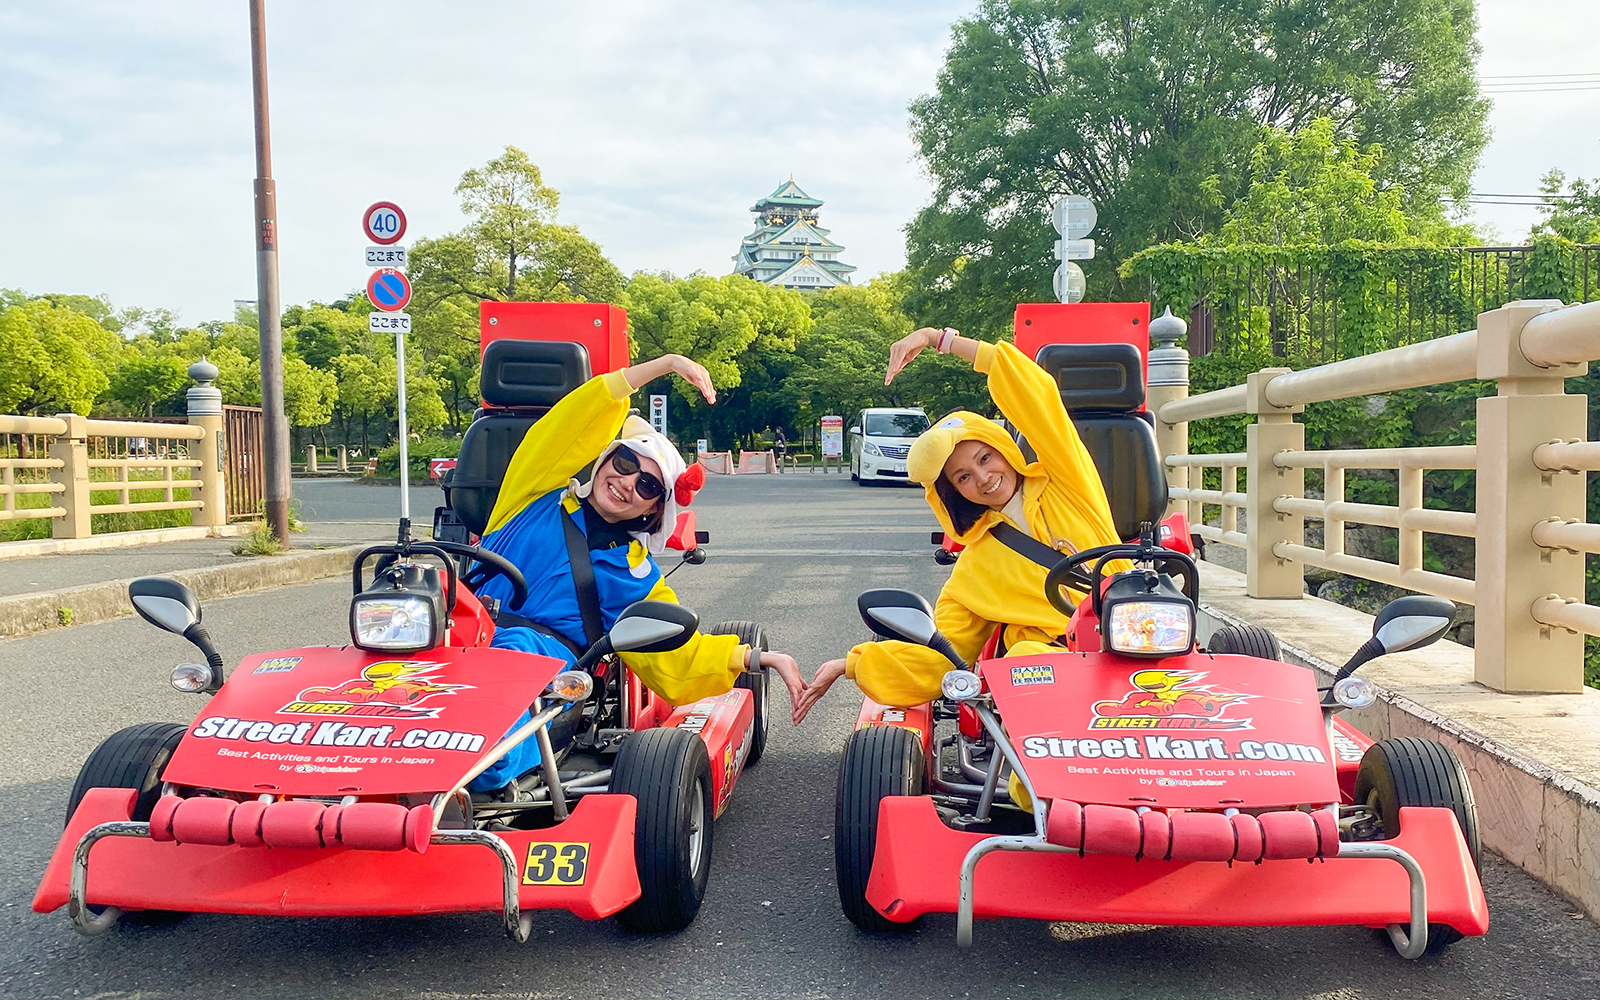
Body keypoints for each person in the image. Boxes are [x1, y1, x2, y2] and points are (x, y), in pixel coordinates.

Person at [470, 352, 806, 791]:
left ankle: (462, 779)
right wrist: (662, 365)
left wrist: (757, 658)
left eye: (647, 484)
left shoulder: (634, 573)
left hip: (536, 659)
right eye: (626, 464)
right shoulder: (535, 493)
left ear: (654, 508)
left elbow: (678, 652)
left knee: (505, 679)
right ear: (606, 459)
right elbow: (574, 419)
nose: (628, 482)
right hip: (459, 635)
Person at [793, 326, 1125, 727]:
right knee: (1024, 662)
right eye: (963, 477)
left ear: (1004, 448)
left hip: (1132, 638)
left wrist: (940, 340)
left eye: (986, 458)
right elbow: (944, 654)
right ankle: (1052, 789)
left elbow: (1035, 392)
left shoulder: (1065, 482)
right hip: (1048, 666)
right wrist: (849, 664)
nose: (983, 478)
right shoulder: (975, 566)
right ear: (953, 494)